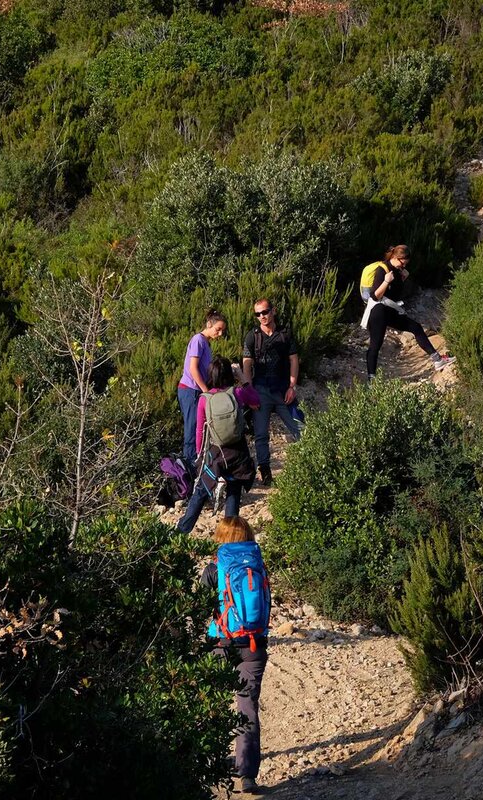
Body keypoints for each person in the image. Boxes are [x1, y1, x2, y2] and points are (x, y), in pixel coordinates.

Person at [199, 516, 269, 796]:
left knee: (210, 703)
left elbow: (199, 607)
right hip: (253, 646)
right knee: (247, 708)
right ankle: (247, 775)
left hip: (221, 642)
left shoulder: (214, 568)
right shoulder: (259, 565)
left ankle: (208, 764)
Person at [176, 359, 260, 533]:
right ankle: (229, 536)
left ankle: (182, 531)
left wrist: (200, 456)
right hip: (238, 453)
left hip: (215, 455)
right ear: (230, 375)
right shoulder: (236, 393)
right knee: (234, 491)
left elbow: (200, 431)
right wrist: (242, 377)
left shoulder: (205, 399)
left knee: (200, 492)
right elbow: (255, 400)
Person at [359, 244, 453, 379]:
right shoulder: (382, 270)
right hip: (378, 312)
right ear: (396, 258)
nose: (403, 267)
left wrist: (402, 278)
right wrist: (386, 281)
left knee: (416, 327)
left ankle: (437, 360)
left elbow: (395, 293)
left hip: (389, 310)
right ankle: (371, 379)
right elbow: (375, 296)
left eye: (405, 265)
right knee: (375, 345)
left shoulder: (398, 271)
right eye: (403, 264)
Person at [242, 299, 300, 486]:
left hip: (283, 388)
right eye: (257, 314)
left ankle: (309, 460)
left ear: (273, 311)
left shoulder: (285, 334)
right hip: (261, 389)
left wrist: (292, 386)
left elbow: (293, 360)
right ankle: (265, 471)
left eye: (264, 312)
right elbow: (247, 364)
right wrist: (249, 392)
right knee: (260, 434)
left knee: (298, 425)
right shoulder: (253, 336)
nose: (262, 317)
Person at [178, 310, 227, 471]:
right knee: (191, 431)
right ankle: (188, 471)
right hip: (190, 390)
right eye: (217, 329)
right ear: (209, 325)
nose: (219, 333)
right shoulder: (198, 340)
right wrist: (206, 391)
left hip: (196, 391)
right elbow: (193, 369)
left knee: (199, 429)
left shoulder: (205, 343)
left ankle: (196, 466)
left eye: (222, 331)